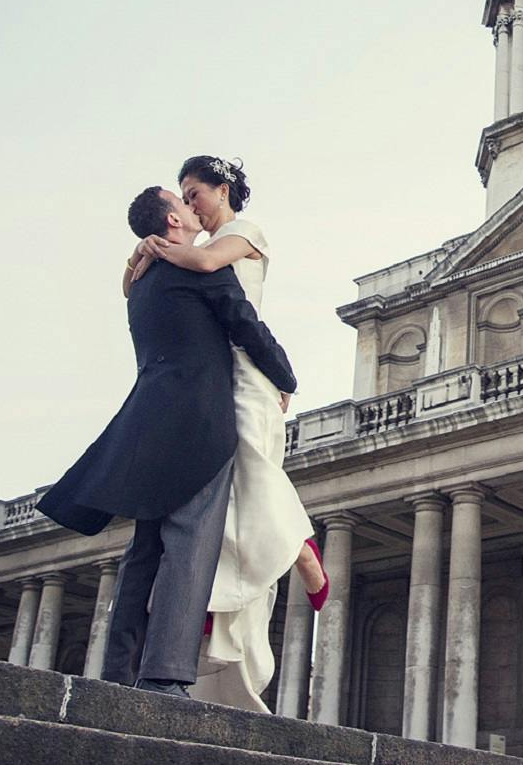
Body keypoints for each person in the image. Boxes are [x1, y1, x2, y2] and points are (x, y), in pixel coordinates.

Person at [37, 186, 299, 699]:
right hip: (199, 422)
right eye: (182, 202)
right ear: (173, 221)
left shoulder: (143, 282)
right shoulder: (199, 268)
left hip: (148, 421)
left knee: (145, 551)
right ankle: (165, 675)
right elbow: (245, 324)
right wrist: (286, 377)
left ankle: (118, 671)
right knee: (190, 546)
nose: (191, 207)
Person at [125, 155, 326, 713]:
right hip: (219, 374)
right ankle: (218, 613)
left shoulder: (242, 233)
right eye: (183, 199)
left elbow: (209, 264)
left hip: (246, 373)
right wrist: (146, 247)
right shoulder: (182, 248)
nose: (190, 206)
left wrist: (153, 246)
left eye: (195, 194)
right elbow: (132, 284)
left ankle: (300, 550)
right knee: (224, 502)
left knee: (251, 472)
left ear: (223, 189)